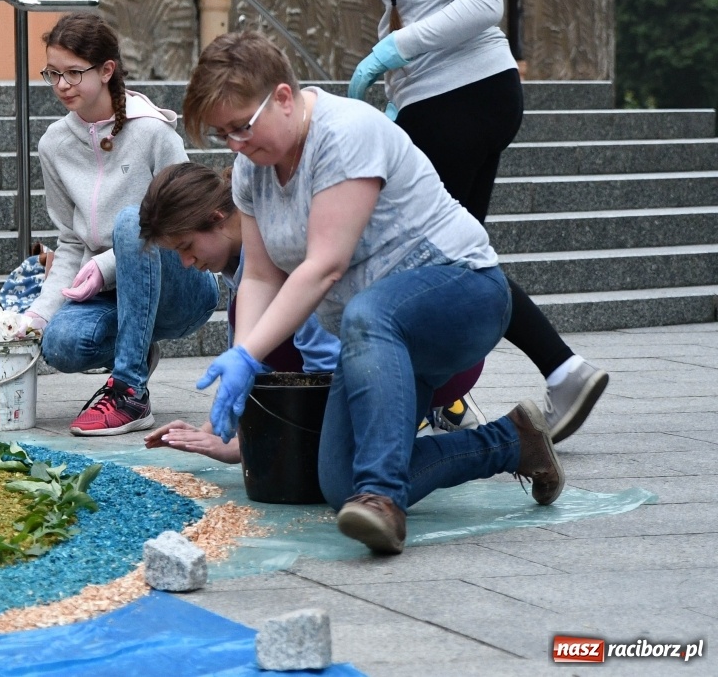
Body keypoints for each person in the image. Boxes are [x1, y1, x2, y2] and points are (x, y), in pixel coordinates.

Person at [184, 33, 562, 555]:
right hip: (377, 336)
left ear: (284, 97)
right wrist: (244, 357)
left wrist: (248, 354)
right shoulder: (252, 169)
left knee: (368, 315)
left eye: (241, 126)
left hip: (464, 294)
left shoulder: (345, 132)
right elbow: (260, 278)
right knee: (342, 485)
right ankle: (510, 442)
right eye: (222, 134)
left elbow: (326, 266)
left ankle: (384, 500)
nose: (235, 144)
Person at [334, 0, 608, 442]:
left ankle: (536, 374)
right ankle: (468, 389)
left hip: (462, 100)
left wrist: (393, 51)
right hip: (448, 98)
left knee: (441, 259)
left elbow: (484, 2)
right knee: (455, 260)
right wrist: (396, 81)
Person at [138, 163, 480, 463]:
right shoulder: (241, 264)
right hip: (391, 354)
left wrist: (248, 446)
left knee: (342, 478)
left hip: (439, 353)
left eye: (186, 247)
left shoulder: (285, 252)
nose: (185, 263)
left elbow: (326, 375)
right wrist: (212, 431)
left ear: (217, 219)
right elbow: (246, 364)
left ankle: (494, 441)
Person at [27, 13, 221, 436]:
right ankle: (136, 350)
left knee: (136, 220)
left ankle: (130, 392)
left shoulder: (153, 132)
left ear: (106, 71)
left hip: (181, 282)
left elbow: (185, 216)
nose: (62, 85)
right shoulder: (54, 144)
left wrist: (106, 265)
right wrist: (35, 318)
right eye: (53, 73)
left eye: (74, 73)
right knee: (59, 343)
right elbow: (70, 242)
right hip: (113, 295)